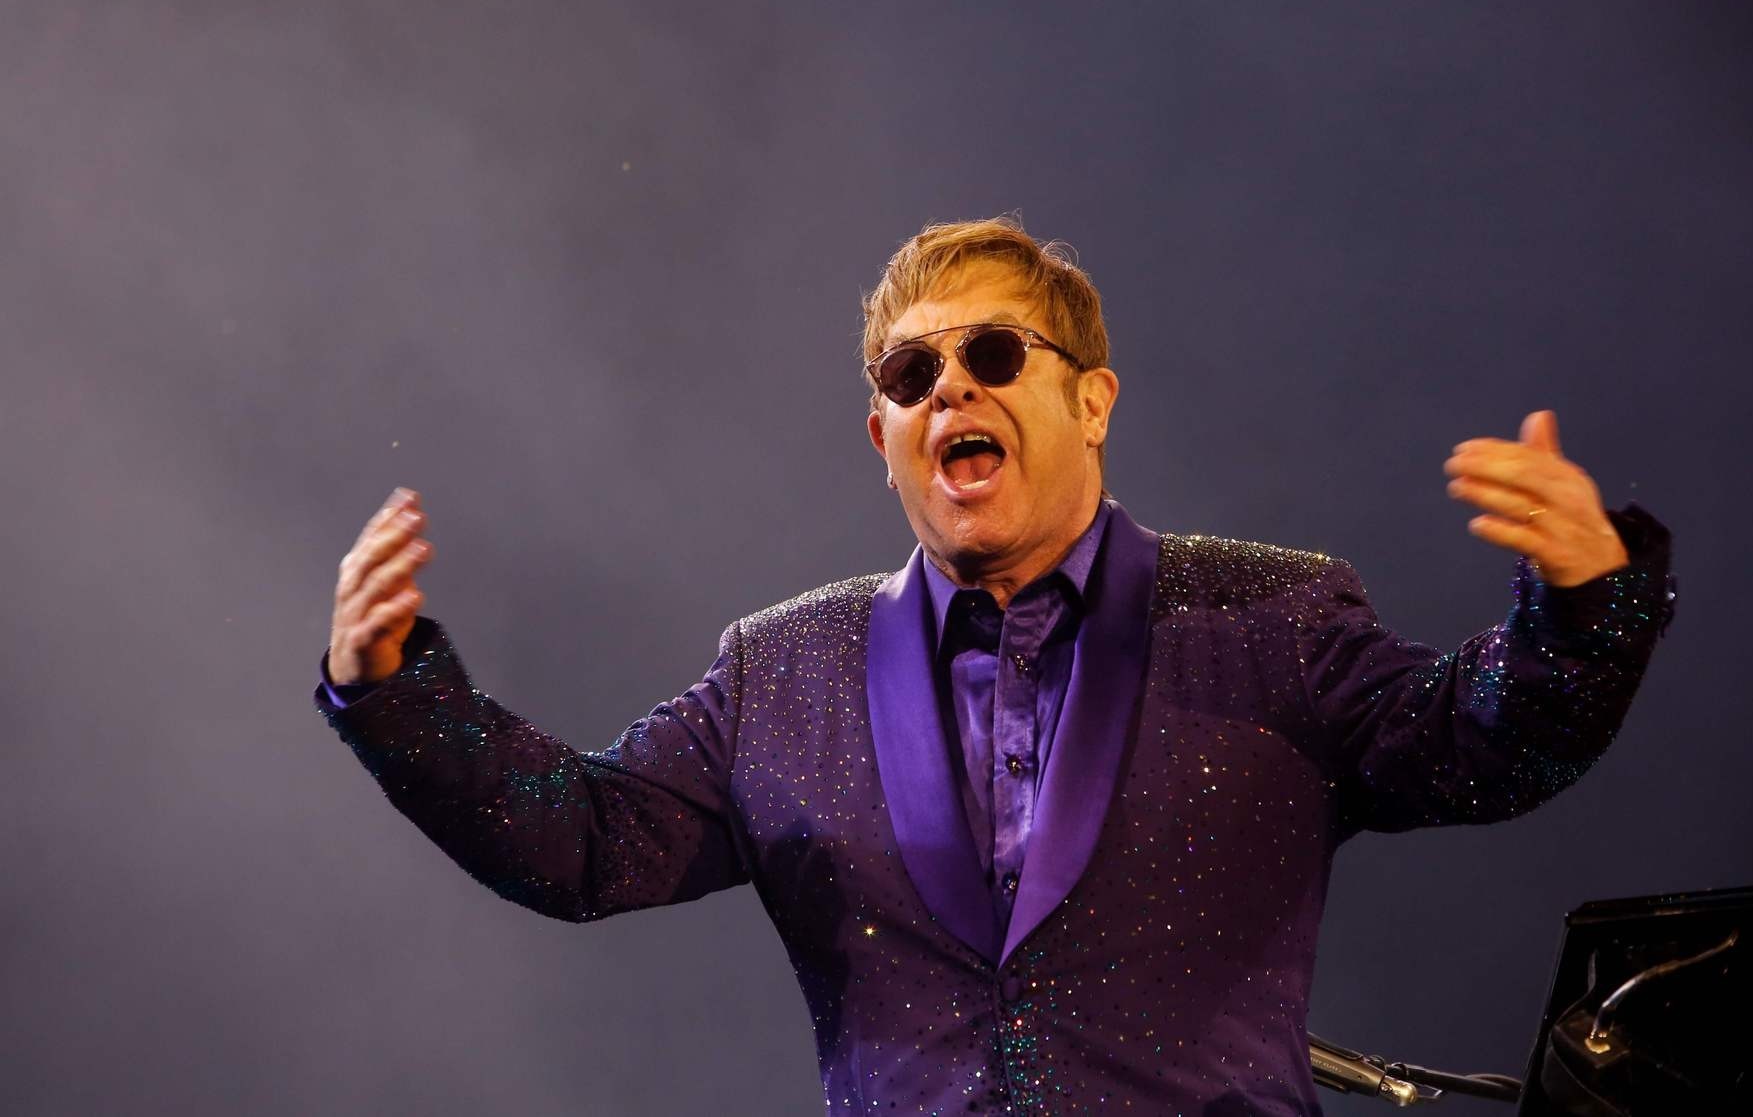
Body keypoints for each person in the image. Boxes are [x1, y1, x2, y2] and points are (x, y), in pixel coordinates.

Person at [316, 217, 1676, 1114]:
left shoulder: (1269, 620)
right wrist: (395, 695)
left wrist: (1582, 602)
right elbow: (586, 844)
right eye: (912, 373)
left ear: (1091, 397)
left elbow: (1482, 742)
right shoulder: (781, 672)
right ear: (882, 437)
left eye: (991, 354)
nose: (949, 389)